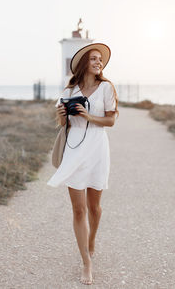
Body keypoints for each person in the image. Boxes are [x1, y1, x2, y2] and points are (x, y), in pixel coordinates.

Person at [47, 43, 119, 285]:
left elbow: (110, 121)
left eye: (101, 59)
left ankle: (91, 240)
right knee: (78, 209)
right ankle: (86, 262)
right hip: (74, 148)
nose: (99, 62)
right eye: (94, 59)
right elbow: (60, 123)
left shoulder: (106, 87)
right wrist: (62, 114)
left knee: (94, 207)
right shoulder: (69, 91)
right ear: (83, 63)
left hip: (97, 148)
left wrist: (88, 116)